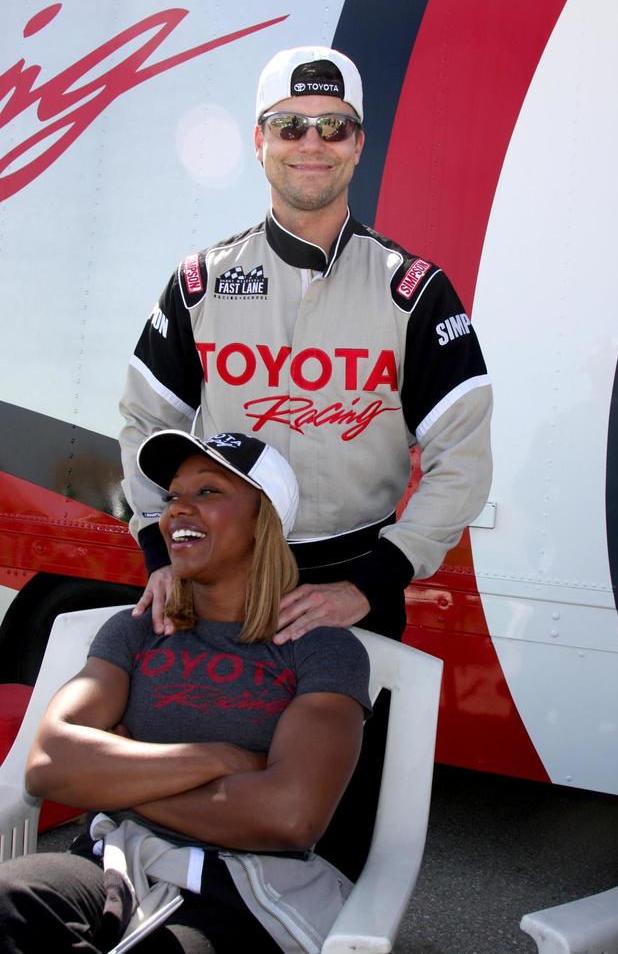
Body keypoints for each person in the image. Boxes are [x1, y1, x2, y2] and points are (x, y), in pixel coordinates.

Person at [118, 44, 492, 876]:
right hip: (222, 577)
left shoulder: (415, 291)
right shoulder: (200, 283)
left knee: (334, 831)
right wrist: (159, 552)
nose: (311, 142)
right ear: (260, 142)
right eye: (291, 125)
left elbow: (462, 459)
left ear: (361, 143)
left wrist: (372, 583)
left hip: (353, 582)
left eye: (334, 126)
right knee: (204, 799)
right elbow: (146, 425)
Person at [0, 430, 371, 953]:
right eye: (174, 496)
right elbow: (50, 763)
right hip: (115, 860)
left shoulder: (319, 649)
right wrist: (221, 758)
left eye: (209, 492)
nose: (178, 511)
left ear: (263, 521)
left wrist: (117, 776)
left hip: (240, 886)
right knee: (10, 898)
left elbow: (289, 816)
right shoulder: (136, 630)